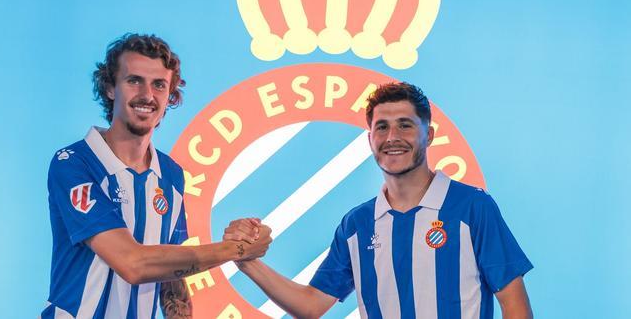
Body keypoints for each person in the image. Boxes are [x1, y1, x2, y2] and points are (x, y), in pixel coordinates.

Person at [225, 82, 533, 318]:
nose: (392, 137)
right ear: (370, 139)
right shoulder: (356, 225)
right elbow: (312, 305)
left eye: (405, 125)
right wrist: (246, 261)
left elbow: (515, 305)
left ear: (430, 135)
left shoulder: (472, 207)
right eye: (381, 127)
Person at [41, 34, 271, 319]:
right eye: (134, 80)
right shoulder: (74, 163)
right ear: (111, 88)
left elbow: (171, 280)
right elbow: (132, 263)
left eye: (159, 85)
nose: (147, 95)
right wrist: (237, 249)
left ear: (170, 96)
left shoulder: (171, 174)